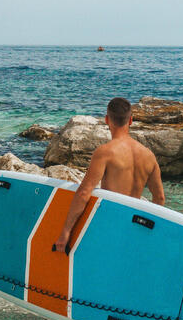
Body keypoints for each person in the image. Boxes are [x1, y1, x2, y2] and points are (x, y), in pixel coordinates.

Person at [53, 97, 165, 253]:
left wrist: (66, 231)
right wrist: (149, 230)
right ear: (131, 120)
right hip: (133, 227)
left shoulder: (105, 152)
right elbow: (159, 197)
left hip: (110, 223)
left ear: (107, 119)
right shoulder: (149, 155)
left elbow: (84, 192)